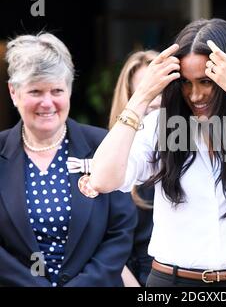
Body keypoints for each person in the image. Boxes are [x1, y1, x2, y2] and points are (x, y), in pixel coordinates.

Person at [90, 18, 226, 287]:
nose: (195, 95)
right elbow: (101, 179)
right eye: (186, 83)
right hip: (173, 282)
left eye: (206, 82)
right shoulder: (160, 127)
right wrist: (141, 96)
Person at [0, 33, 137, 287]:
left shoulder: (102, 145)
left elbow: (120, 231)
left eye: (56, 90)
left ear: (70, 90)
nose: (47, 102)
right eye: (35, 91)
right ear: (13, 92)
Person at [109, 50, 159, 287]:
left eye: (162, 89)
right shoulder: (114, 161)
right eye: (147, 93)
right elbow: (104, 246)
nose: (156, 100)